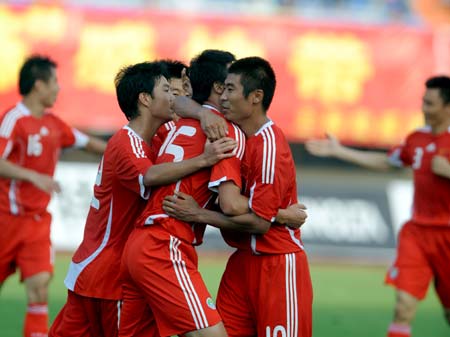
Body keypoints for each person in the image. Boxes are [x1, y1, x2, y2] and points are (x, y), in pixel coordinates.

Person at [49, 60, 237, 337]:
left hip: (101, 267)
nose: (175, 97)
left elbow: (185, 108)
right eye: (167, 90)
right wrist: (205, 159)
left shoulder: (157, 138)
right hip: (108, 273)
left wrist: (203, 114)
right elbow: (148, 176)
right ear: (145, 99)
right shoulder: (127, 143)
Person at [162, 57, 312, 337]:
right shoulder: (232, 132)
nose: (224, 97)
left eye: (231, 90)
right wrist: (204, 113)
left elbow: (259, 223)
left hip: (277, 263)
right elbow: (179, 102)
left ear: (255, 97)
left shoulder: (269, 146)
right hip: (241, 261)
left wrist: (198, 214)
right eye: (222, 89)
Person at [305, 76, 450, 337]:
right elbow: (387, 162)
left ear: (448, 107)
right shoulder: (416, 138)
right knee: (403, 307)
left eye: (430, 103)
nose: (424, 109)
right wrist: (341, 151)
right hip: (417, 233)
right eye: (423, 102)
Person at [0, 55, 107, 337]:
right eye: (54, 82)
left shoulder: (55, 125)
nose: (58, 89)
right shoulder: (13, 119)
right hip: (5, 220)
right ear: (38, 85)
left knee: (40, 286)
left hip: (36, 223)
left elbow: (89, 143)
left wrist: (127, 152)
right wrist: (31, 175)